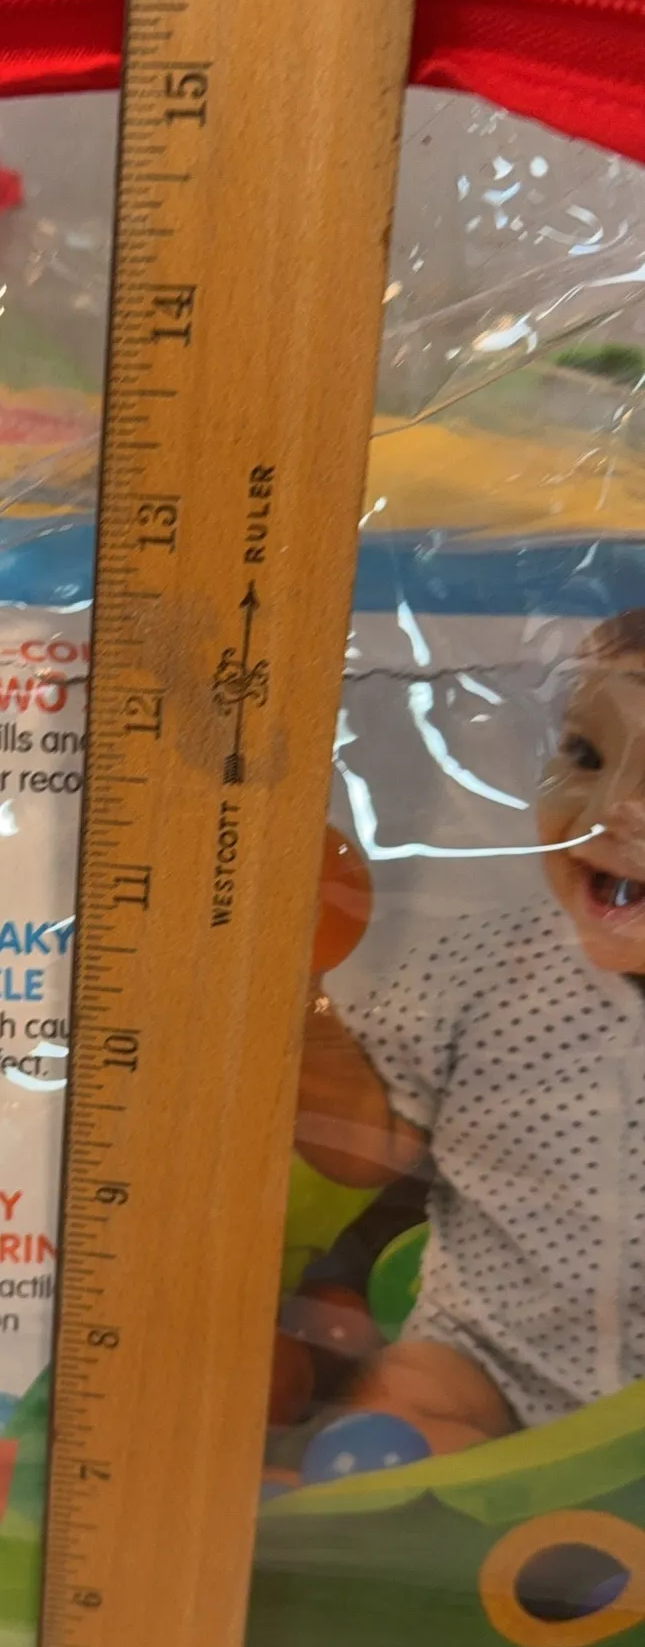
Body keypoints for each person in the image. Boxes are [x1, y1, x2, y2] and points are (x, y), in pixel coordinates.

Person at [297, 609, 645, 1453]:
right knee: (402, 1407)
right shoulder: (484, 968)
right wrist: (299, 998)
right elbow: (368, 1150)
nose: (608, 809)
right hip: (487, 1361)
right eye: (583, 756)